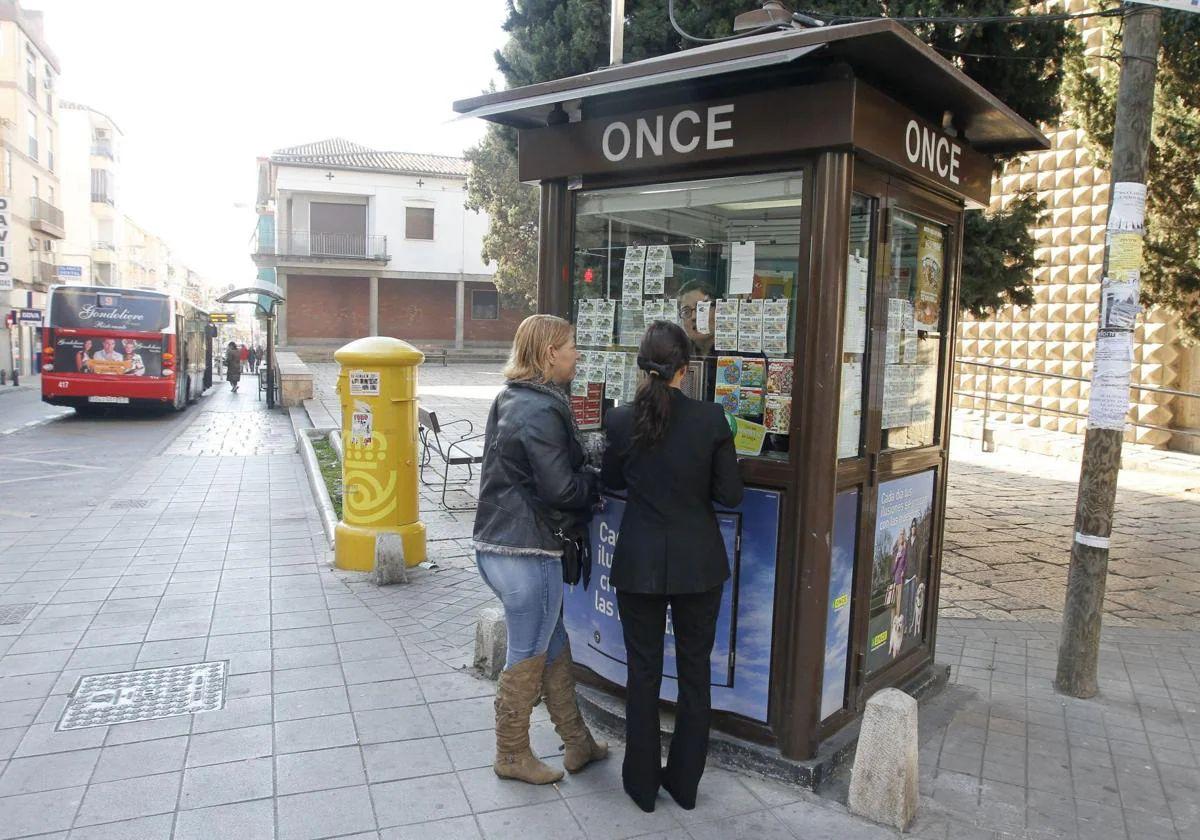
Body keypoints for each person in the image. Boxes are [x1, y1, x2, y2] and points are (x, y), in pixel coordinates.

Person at [601, 320, 744, 813]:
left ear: (642, 364)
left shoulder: (620, 421)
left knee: (642, 673)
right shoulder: (711, 420)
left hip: (639, 560)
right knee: (694, 672)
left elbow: (612, 482)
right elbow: (730, 496)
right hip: (699, 564)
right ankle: (684, 785)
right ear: (687, 368)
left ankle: (641, 786)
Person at [472, 314, 608, 785]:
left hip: (496, 542)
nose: (577, 354)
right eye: (571, 346)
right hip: (528, 550)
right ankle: (511, 753)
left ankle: (578, 743)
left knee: (552, 644)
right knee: (529, 650)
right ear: (551, 353)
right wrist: (594, 480)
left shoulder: (512, 397)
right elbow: (562, 491)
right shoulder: (543, 409)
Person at [676, 281, 715, 358]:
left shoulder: (736, 354)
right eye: (686, 312)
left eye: (702, 308)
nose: (694, 317)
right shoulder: (677, 356)